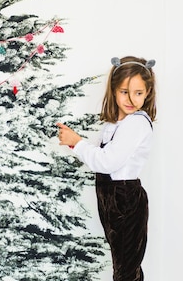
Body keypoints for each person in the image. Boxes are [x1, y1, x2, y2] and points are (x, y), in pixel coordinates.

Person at [56, 55, 157, 281]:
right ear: (113, 90)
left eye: (138, 93)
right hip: (111, 196)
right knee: (124, 266)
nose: (130, 99)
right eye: (124, 92)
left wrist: (77, 142)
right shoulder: (117, 123)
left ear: (147, 93)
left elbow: (107, 163)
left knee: (125, 271)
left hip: (124, 198)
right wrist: (74, 142)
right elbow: (103, 158)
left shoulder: (137, 122)